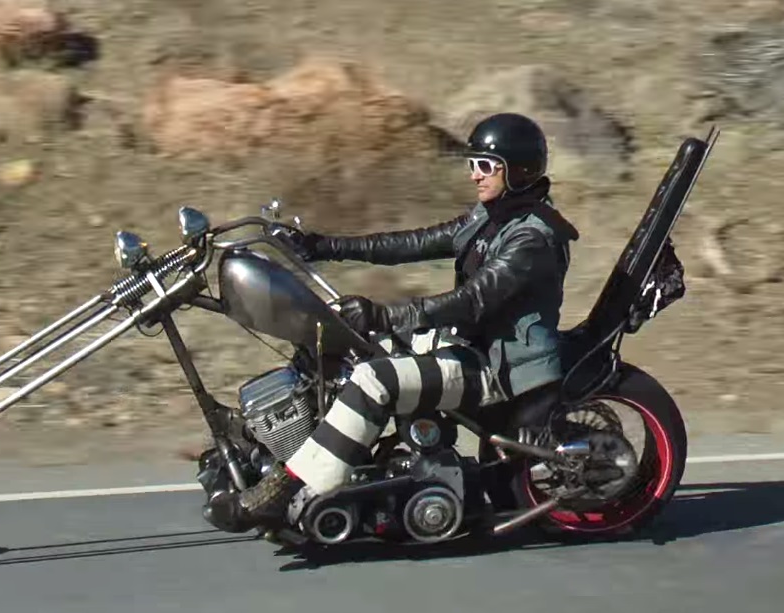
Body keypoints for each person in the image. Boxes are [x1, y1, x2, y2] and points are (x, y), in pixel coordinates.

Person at [208, 112, 582, 533]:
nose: (474, 174)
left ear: (518, 171)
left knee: (375, 381)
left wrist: (385, 315)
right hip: (465, 346)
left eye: (485, 166)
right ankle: (286, 450)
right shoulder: (492, 218)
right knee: (348, 349)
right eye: (472, 164)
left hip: (497, 369)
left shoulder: (531, 237)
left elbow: (472, 301)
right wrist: (323, 246)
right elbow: (414, 242)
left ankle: (287, 490)